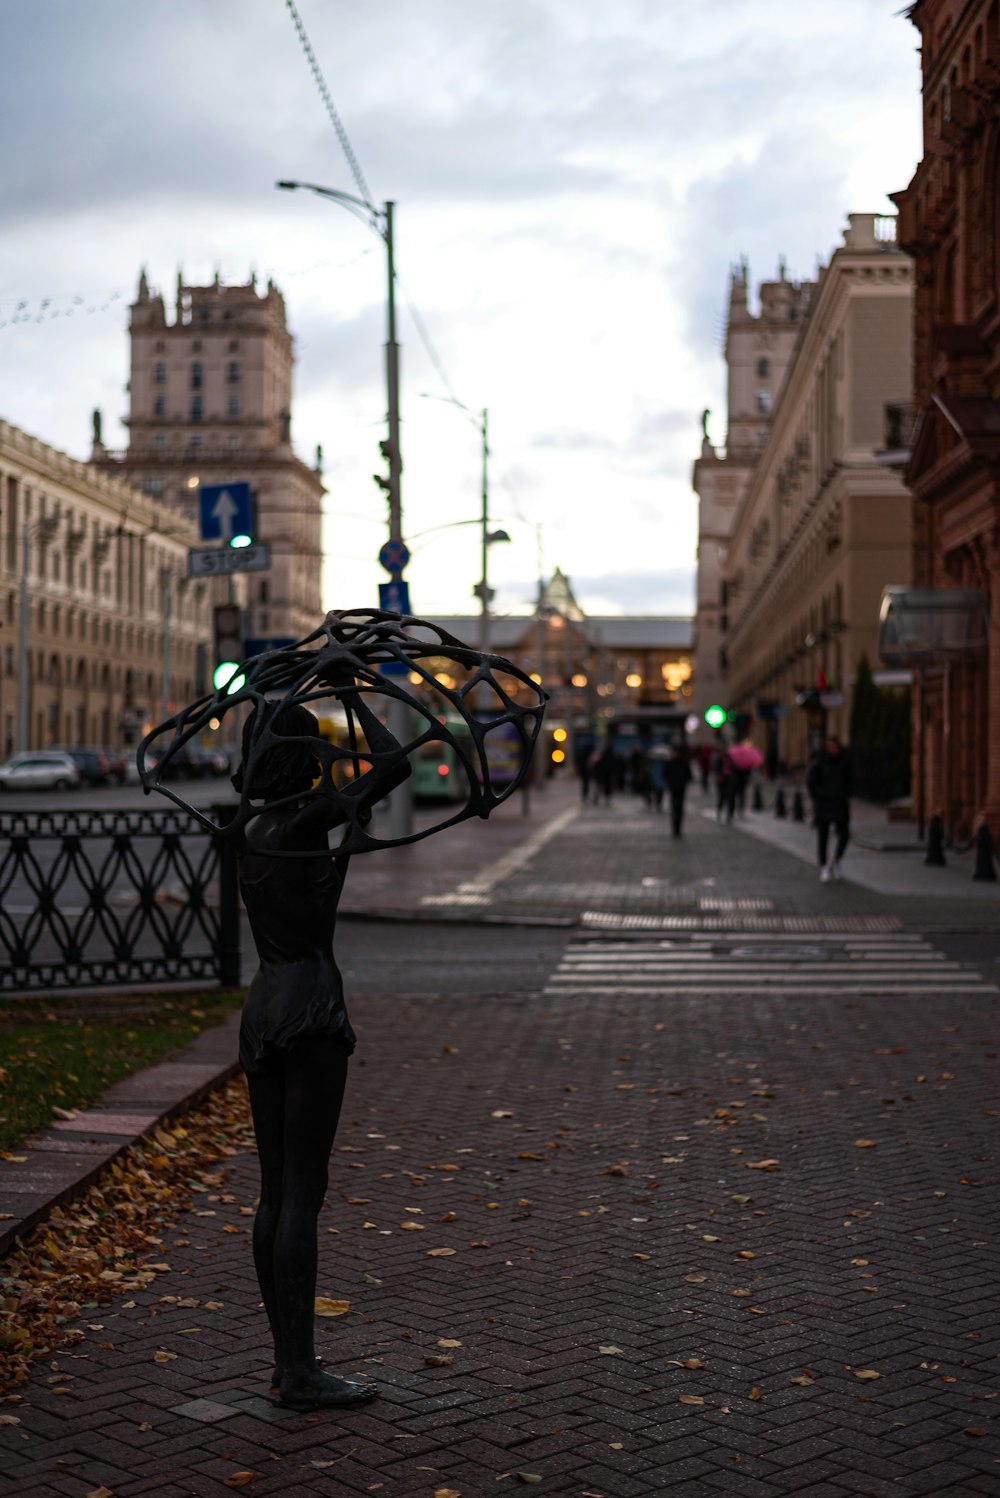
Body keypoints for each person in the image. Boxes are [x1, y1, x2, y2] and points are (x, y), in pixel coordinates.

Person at [233, 694, 409, 1411]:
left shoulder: (249, 827)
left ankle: (285, 1363)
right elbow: (393, 764)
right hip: (310, 1007)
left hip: (263, 1007)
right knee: (304, 1190)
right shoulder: (308, 819)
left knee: (275, 1191)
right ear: (306, 754)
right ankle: (301, 1372)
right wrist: (349, 693)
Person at [806, 732, 852, 882]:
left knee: (845, 834)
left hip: (839, 803)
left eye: (834, 745)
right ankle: (824, 866)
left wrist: (844, 792)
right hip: (824, 804)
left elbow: (851, 780)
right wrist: (820, 795)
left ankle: (837, 861)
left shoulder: (844, 761)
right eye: (829, 746)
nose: (832, 748)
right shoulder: (820, 762)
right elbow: (811, 782)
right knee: (823, 837)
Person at [662, 744, 693, 836]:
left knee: (679, 808)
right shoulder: (670, 763)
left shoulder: (683, 763)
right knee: (674, 808)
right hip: (673, 788)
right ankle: (675, 828)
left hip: (681, 788)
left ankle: (678, 828)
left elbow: (689, 775)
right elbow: (665, 774)